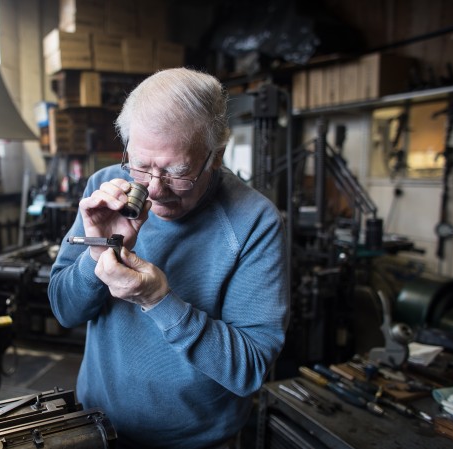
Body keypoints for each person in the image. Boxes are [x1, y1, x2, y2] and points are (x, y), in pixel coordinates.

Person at [48, 68, 289, 449]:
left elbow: (251, 369)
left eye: (177, 172)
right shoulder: (105, 188)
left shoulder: (254, 223)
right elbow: (64, 310)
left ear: (216, 155)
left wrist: (157, 300)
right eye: (141, 165)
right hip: (95, 426)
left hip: (194, 441)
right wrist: (97, 257)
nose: (155, 190)